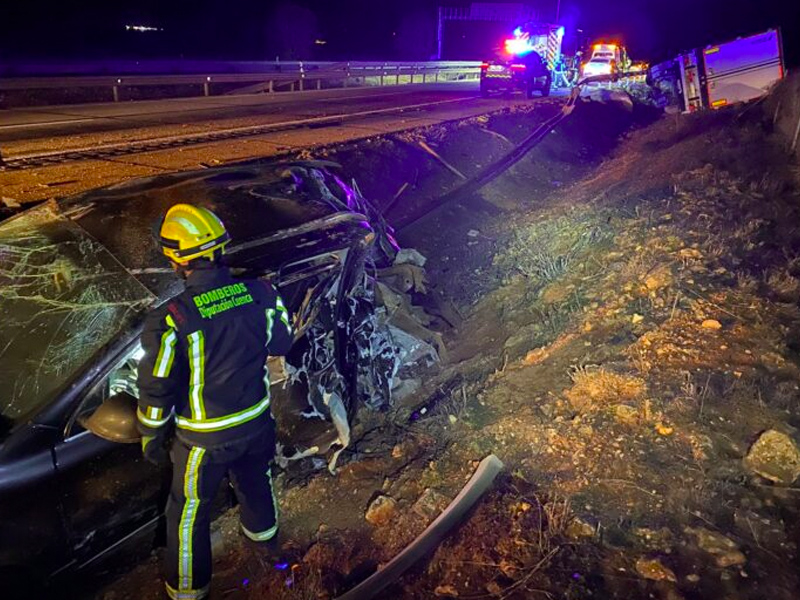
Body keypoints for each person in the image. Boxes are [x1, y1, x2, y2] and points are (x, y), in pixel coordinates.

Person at [137, 203, 293, 600]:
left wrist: (150, 437)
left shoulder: (172, 318)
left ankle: (188, 593)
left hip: (202, 442)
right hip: (257, 423)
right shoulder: (260, 292)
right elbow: (281, 342)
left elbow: (157, 388)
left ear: (176, 259)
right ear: (222, 248)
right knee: (257, 483)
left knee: (187, 514)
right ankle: (267, 552)